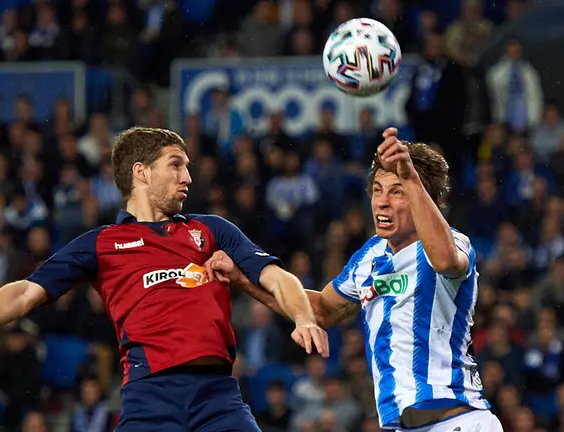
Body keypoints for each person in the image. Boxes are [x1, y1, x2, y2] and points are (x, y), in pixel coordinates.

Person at [0, 127, 329, 431]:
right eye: (176, 164)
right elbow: (25, 293)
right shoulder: (101, 243)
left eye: (188, 166)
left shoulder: (211, 230)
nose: (188, 177)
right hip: (148, 397)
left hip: (218, 395)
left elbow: (277, 278)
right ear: (141, 173)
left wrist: (303, 317)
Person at [206, 128, 503, 431]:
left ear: (421, 196)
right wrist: (243, 280)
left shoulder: (453, 243)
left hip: (461, 421)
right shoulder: (369, 256)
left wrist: (411, 177)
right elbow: (320, 309)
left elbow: (444, 260)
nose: (382, 202)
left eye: (397, 191)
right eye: (377, 189)